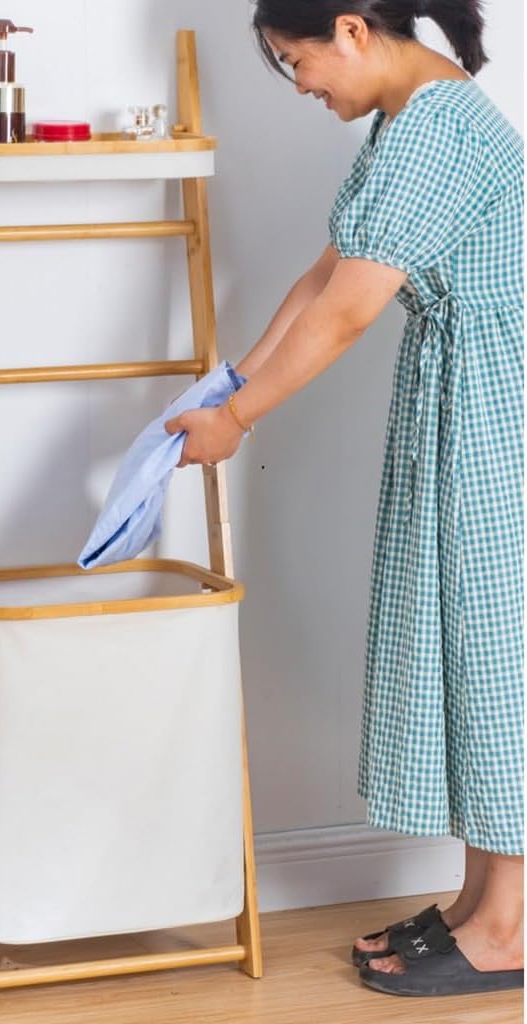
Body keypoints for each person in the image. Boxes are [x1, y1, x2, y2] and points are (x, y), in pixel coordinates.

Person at [165, 0, 524, 998]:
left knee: (496, 648)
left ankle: (510, 925)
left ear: (353, 27)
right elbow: (327, 272)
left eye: (298, 62)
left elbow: (354, 310)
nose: (301, 86)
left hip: (502, 410)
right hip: (464, 400)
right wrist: (235, 386)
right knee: (464, 642)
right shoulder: (405, 121)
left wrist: (243, 420)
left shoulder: (441, 129)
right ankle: (478, 899)